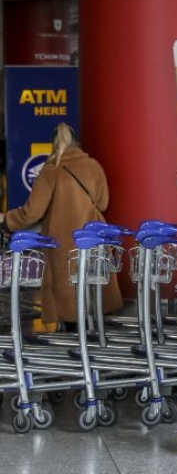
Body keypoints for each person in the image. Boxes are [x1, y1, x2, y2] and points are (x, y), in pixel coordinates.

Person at [0, 123, 122, 331]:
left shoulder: (51, 170)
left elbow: (32, 212)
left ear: (54, 144)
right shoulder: (93, 165)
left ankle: (74, 343)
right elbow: (103, 203)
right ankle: (94, 340)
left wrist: (7, 221)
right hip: (93, 238)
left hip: (64, 242)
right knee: (93, 288)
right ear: (76, 142)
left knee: (68, 298)